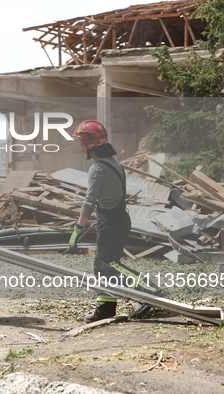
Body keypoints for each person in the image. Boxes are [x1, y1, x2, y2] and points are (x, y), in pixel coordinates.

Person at [69, 120, 162, 324]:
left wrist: (78, 228)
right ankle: (105, 308)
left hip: (111, 221)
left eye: (82, 142)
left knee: (109, 265)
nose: (80, 147)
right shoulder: (114, 162)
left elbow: (89, 201)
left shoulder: (97, 169)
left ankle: (151, 291)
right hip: (118, 218)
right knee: (101, 266)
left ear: (90, 143)